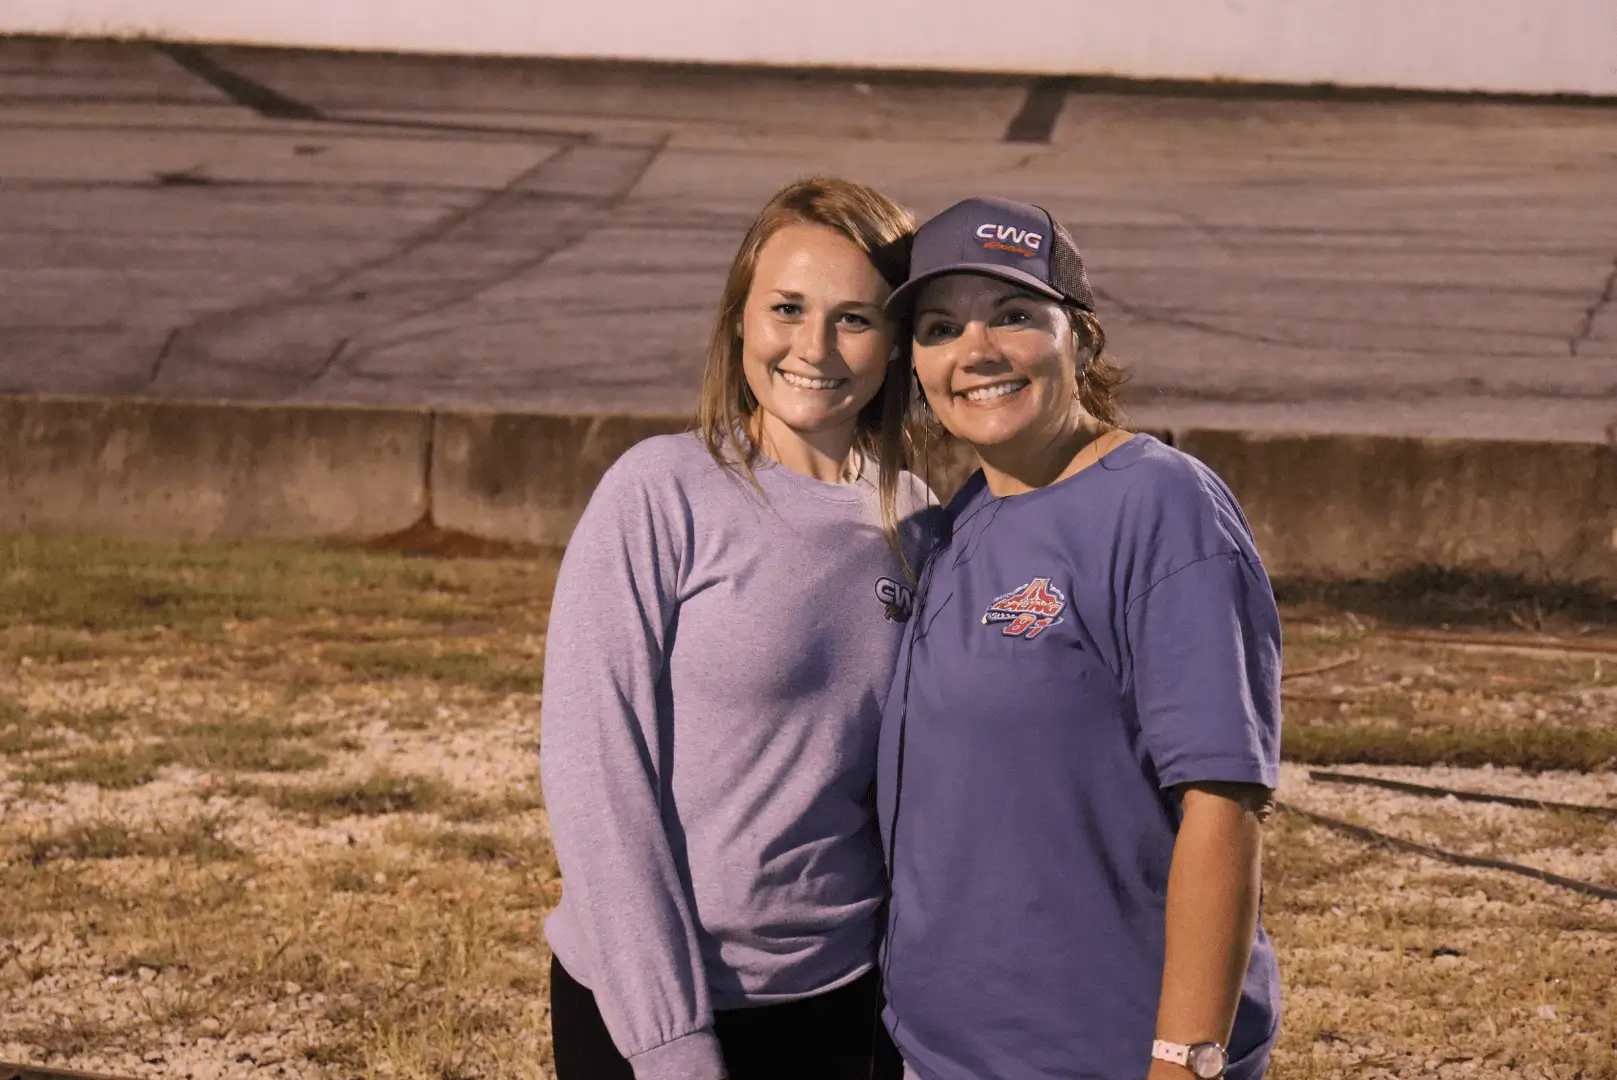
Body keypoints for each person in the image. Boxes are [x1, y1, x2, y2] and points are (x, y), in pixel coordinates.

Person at [875, 197, 1282, 1080]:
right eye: (940, 327)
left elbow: (1223, 798)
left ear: (1082, 342)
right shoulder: (960, 520)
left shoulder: (1159, 505)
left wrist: (1184, 1058)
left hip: (1103, 1053)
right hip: (941, 1054)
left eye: (1015, 316)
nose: (976, 352)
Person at [539, 177, 927, 1080]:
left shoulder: (918, 520)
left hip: (843, 998)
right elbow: (597, 773)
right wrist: (670, 1040)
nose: (813, 347)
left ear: (897, 340)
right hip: (652, 1009)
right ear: (739, 318)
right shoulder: (660, 491)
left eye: (855, 318)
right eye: (786, 308)